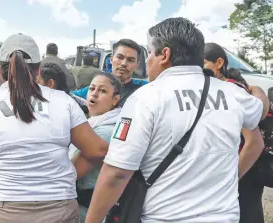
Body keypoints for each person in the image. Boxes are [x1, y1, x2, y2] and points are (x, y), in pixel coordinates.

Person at [86, 17, 265, 223]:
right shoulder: (233, 94)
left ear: (165, 54)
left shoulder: (145, 98)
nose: (147, 60)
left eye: (149, 52)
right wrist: (259, 92)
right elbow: (259, 110)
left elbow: (117, 173)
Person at [0, 33, 109, 223]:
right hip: (58, 208)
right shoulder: (62, 101)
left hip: (4, 210)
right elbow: (97, 150)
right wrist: (66, 173)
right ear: (38, 69)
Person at [204, 42, 268, 223]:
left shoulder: (232, 91)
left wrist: (231, 181)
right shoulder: (221, 88)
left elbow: (254, 143)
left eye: (204, 66)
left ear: (218, 63)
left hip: (244, 170)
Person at [69, 72, 122, 222]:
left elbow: (72, 173)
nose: (94, 94)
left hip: (89, 211)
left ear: (115, 100)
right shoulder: (93, 123)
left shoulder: (106, 131)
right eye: (92, 89)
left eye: (103, 91)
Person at [71, 39, 148, 107]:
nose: (124, 63)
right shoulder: (97, 87)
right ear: (111, 59)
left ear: (137, 65)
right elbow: (69, 96)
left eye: (130, 60)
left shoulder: (145, 88)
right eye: (120, 57)